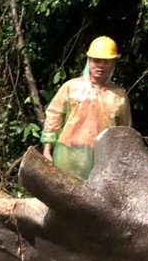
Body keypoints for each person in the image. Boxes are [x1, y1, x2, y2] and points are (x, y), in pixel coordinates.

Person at [41, 35, 132, 180]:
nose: (101, 66)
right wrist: (47, 149)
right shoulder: (71, 87)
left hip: (101, 158)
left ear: (113, 63)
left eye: (106, 62)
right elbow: (54, 114)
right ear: (89, 61)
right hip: (67, 154)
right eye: (96, 61)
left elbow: (124, 132)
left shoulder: (119, 96)